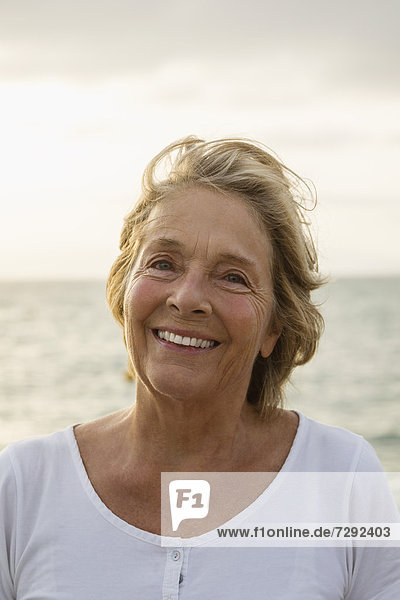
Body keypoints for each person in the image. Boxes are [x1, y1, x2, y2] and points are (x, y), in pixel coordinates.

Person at [0, 136, 399, 598]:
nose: (187, 298)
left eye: (233, 276)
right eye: (163, 263)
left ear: (275, 326)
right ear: (123, 292)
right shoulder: (25, 486)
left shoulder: (341, 478)